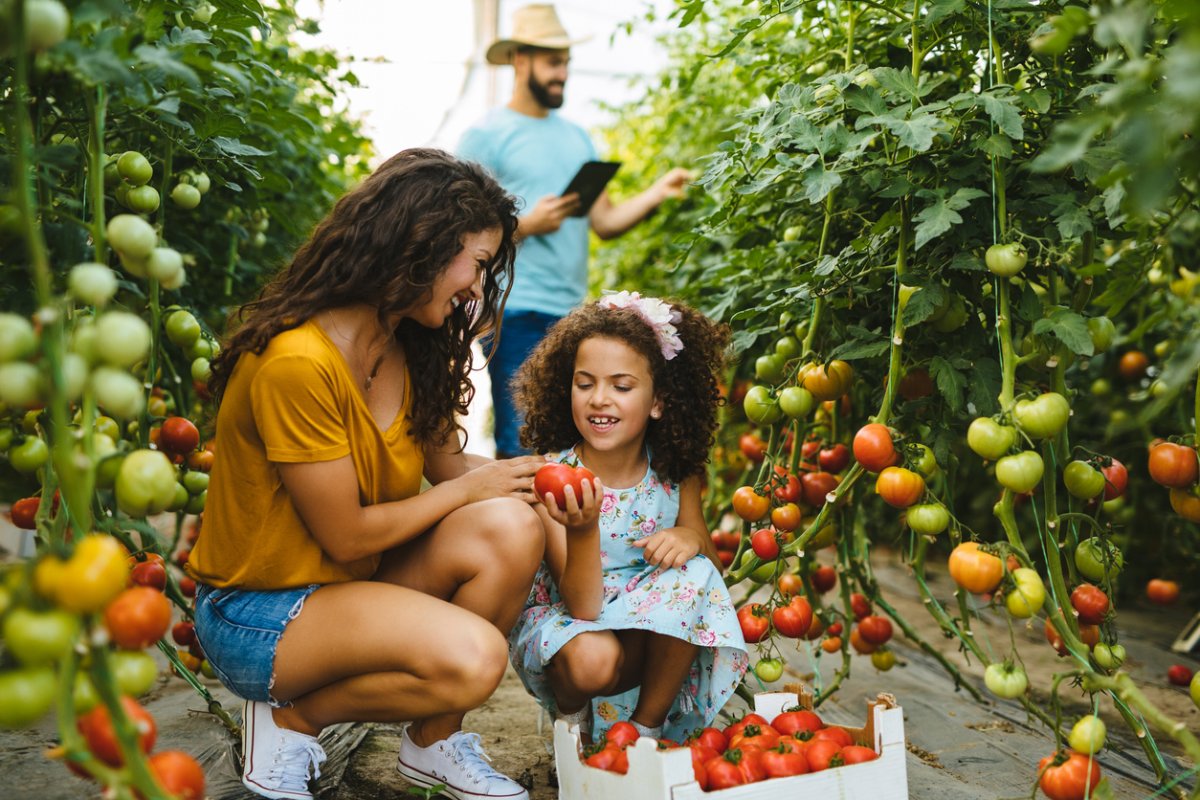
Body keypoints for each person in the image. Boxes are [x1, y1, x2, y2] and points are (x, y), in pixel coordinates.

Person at [186, 149, 546, 800]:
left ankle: (432, 746)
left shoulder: (407, 344)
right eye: (479, 264)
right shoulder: (298, 362)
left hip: (347, 585)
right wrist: (469, 490)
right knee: (475, 659)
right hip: (258, 613)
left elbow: (448, 468)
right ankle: (292, 721)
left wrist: (543, 480)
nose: (478, 288)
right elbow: (349, 536)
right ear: (425, 243)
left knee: (515, 527)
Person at [507, 292, 748, 744]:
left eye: (621, 386)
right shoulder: (552, 477)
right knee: (591, 659)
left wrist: (689, 538)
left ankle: (644, 732)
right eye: (585, 384)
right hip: (575, 629)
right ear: (567, 389)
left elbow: (710, 574)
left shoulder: (676, 470)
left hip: (647, 629)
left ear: (658, 401)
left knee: (693, 574)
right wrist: (582, 529)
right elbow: (582, 607)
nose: (600, 400)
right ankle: (572, 724)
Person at [458, 3, 693, 459]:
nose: (561, 73)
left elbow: (604, 223)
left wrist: (657, 193)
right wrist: (526, 225)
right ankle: (515, 530)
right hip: (516, 312)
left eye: (565, 62)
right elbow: (461, 229)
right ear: (520, 61)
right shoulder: (486, 135)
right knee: (523, 439)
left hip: (573, 317)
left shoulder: (577, 137)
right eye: (552, 62)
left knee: (570, 446)